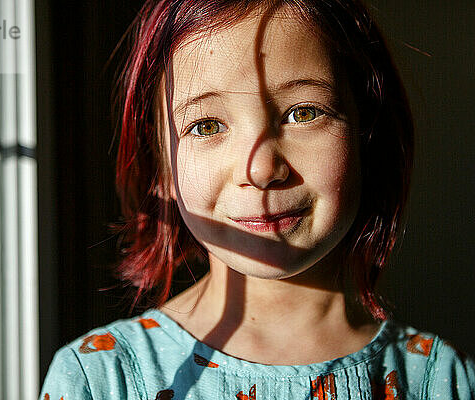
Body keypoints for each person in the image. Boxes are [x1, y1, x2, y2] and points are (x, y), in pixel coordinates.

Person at [40, 0, 475, 398]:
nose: (261, 168)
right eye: (206, 125)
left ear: (368, 138)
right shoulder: (99, 378)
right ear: (162, 169)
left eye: (303, 113)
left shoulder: (438, 378)